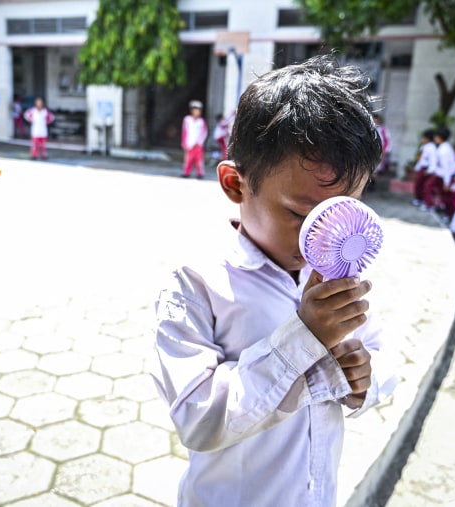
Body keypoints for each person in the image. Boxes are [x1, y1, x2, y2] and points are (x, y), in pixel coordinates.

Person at [152, 55, 394, 506]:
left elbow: (378, 351)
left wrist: (365, 378)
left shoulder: (339, 270)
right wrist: (303, 337)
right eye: (303, 215)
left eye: (342, 214)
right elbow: (198, 416)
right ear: (235, 185)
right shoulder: (196, 282)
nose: (324, 238)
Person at [422, 127, 455, 211]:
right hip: (441, 174)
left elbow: (446, 167)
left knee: (428, 187)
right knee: (438, 191)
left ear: (440, 137)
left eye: (436, 137)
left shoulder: (444, 150)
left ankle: (431, 204)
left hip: (442, 175)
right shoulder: (444, 148)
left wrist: (446, 182)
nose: (434, 138)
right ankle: (437, 204)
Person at [181, 100, 208, 178]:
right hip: (189, 143)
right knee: (188, 159)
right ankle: (186, 173)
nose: (197, 112)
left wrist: (199, 142)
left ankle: (200, 173)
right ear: (192, 111)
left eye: (199, 110)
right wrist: (184, 143)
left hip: (198, 144)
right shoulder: (187, 120)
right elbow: (184, 131)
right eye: (195, 110)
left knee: (199, 160)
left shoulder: (201, 121)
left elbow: (204, 132)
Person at [412, 129, 437, 206]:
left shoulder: (432, 148)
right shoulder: (423, 147)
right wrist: (417, 167)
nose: (422, 139)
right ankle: (418, 199)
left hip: (426, 170)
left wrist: (430, 170)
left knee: (423, 186)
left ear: (428, 138)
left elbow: (433, 160)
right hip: (421, 168)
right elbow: (420, 159)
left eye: (424, 138)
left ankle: (424, 201)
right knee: (418, 185)